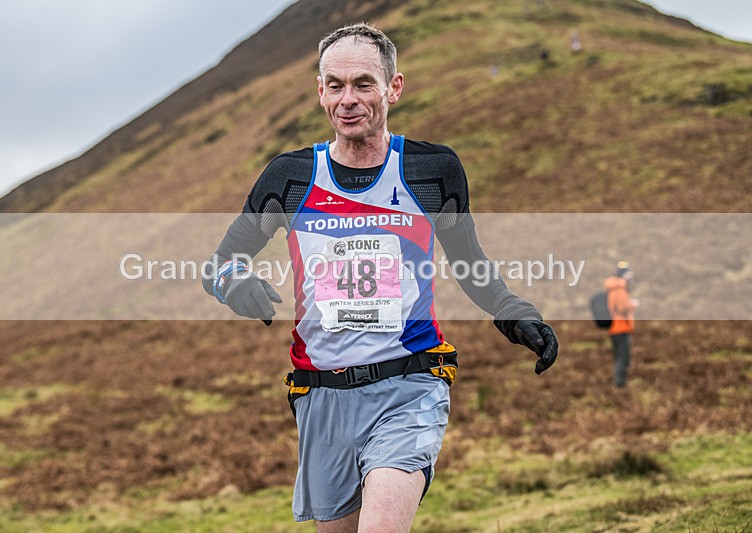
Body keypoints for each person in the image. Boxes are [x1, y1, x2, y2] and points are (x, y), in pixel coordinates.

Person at [203, 23, 559, 532]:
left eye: (364, 84)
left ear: (394, 87)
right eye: (335, 85)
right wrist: (237, 285)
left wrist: (514, 311)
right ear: (320, 92)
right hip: (321, 397)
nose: (348, 100)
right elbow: (220, 265)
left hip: (409, 385)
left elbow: (470, 262)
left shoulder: (431, 171)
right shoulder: (290, 177)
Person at [604, 261, 638, 388]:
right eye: (628, 274)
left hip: (615, 328)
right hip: (620, 328)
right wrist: (633, 304)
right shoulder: (619, 288)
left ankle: (619, 383)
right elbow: (623, 307)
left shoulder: (614, 288)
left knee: (619, 357)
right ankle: (620, 385)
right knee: (623, 358)